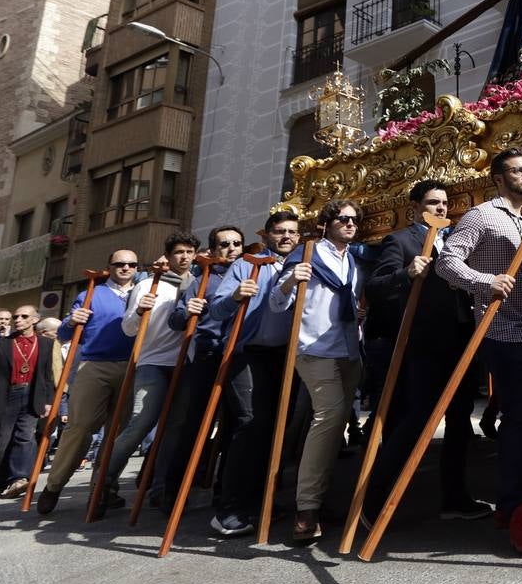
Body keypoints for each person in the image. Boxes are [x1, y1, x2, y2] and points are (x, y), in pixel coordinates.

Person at [437, 148, 522, 553]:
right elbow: (447, 262)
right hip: (502, 330)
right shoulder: (481, 215)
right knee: (518, 420)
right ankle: (518, 509)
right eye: (517, 172)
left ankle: (511, 500)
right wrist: (485, 282)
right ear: (499, 180)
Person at [362, 179, 491, 525]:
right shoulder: (401, 241)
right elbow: (374, 288)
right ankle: (373, 502)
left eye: (445, 203)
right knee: (415, 421)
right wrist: (406, 272)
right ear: (415, 208)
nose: (441, 208)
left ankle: (455, 498)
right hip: (425, 344)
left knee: (461, 422)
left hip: (460, 341)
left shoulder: (457, 243)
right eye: (434, 202)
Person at [269, 199, 365, 544]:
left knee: (336, 422)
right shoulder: (305, 254)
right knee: (331, 415)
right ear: (327, 222)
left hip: (349, 349)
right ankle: (306, 508)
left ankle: (323, 499)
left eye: (355, 219)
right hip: (314, 349)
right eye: (343, 218)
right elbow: (276, 303)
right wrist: (289, 282)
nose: (350, 224)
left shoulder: (352, 259)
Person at [208, 211, 306, 537]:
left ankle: (260, 499)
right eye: (280, 231)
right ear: (267, 235)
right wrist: (237, 295)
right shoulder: (247, 264)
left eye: (292, 232)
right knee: (250, 424)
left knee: (276, 427)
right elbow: (217, 307)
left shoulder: (301, 266)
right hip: (246, 352)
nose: (286, 237)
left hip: (284, 355)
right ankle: (229, 507)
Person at [93, 232, 201, 518]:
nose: (184, 257)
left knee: (175, 430)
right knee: (140, 424)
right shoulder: (148, 285)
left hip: (185, 362)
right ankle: (103, 484)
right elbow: (129, 329)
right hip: (153, 362)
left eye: (189, 252)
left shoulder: (199, 283)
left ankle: (159, 489)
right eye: (179, 252)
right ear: (169, 255)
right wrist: (140, 310)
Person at [35, 250, 138, 514]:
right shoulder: (90, 294)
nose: (126, 268)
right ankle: (54, 485)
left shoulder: (143, 291)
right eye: (120, 264)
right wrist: (72, 321)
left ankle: (103, 489)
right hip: (95, 364)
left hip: (133, 366)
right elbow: (66, 334)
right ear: (110, 266)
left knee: (117, 433)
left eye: (131, 264)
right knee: (80, 427)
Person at [154, 226, 244, 505]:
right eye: (224, 244)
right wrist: (187, 311)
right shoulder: (202, 278)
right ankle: (171, 489)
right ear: (214, 250)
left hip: (240, 359)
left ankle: (225, 489)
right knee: (191, 424)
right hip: (207, 356)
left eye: (237, 243)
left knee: (236, 424)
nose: (231, 249)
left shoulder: (252, 274)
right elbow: (176, 320)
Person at [0, 305, 55, 499]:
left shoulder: (46, 344)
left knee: (24, 437)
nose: (18, 319)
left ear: (35, 320)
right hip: (4, 396)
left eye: (24, 316)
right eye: (16, 316)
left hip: (32, 395)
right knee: (1, 440)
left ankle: (19, 479)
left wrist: (48, 401)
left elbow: (47, 376)